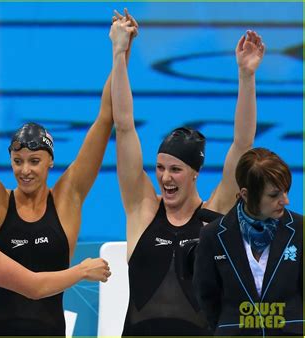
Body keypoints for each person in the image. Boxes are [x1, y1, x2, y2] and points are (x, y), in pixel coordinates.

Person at [0, 15, 138, 336]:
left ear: (50, 162)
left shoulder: (68, 198)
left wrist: (121, 51)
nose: (25, 170)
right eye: (18, 160)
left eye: (34, 161)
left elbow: (105, 119)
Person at [110, 9, 266, 336]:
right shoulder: (142, 209)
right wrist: (119, 55)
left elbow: (242, 144)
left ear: (194, 172)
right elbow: (124, 126)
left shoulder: (214, 215)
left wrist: (246, 77)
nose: (165, 177)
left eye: (176, 169)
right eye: (161, 168)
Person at [193, 147, 303, 336]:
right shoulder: (213, 235)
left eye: (285, 191)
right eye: (274, 195)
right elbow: (207, 297)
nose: (285, 200)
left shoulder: (300, 230)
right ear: (246, 194)